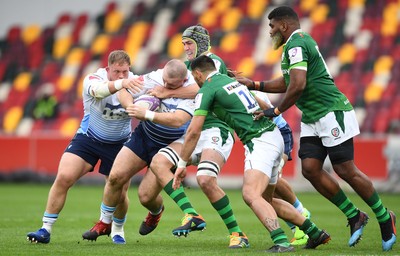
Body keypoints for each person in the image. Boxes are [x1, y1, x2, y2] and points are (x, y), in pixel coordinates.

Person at [238, 6, 396, 251]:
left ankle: (385, 216)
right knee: (310, 169)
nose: (269, 32)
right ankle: (354, 215)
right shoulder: (293, 46)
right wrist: (255, 84)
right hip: (313, 116)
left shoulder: (297, 44)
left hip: (332, 112)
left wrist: (276, 111)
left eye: (271, 26)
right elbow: (289, 81)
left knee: (346, 169)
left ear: (283, 25)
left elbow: (298, 85)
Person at [174, 55, 331, 252]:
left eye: (194, 77)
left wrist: (181, 165)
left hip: (259, 141)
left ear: (198, 74)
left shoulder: (207, 89)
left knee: (250, 194)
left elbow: (193, 131)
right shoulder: (231, 81)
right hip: (274, 136)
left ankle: (280, 240)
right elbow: (264, 106)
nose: (194, 81)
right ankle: (314, 232)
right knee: (267, 200)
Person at [145, 24, 250, 248]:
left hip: (216, 129)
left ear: (201, 42)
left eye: (189, 43)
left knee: (205, 180)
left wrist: (168, 92)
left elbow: (199, 89)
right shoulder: (185, 66)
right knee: (159, 162)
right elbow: (163, 79)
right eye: (183, 43)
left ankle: (237, 234)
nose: (185, 47)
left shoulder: (214, 61)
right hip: (193, 131)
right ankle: (191, 214)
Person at [81, 59, 205, 243]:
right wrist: (131, 106)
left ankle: (156, 212)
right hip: (144, 137)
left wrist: (147, 113)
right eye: (164, 80)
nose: (164, 84)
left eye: (171, 84)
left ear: (183, 80)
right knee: (115, 176)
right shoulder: (154, 77)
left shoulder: (194, 91)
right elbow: (124, 90)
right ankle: (104, 223)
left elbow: (178, 120)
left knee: (146, 197)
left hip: (168, 144)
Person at [26, 50, 143, 244]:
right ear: (108, 69)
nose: (122, 75)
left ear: (129, 69)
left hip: (120, 143)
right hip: (89, 138)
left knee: (120, 193)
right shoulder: (93, 78)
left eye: (125, 72)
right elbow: (99, 91)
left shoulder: (138, 83)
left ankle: (118, 229)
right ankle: (45, 229)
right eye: (117, 72)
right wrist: (123, 84)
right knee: (64, 177)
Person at [253, 90, 310, 246]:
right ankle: (298, 228)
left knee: (274, 180)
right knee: (268, 193)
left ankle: (300, 212)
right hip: (264, 138)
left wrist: (251, 94)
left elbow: (272, 114)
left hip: (280, 133)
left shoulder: (249, 93)